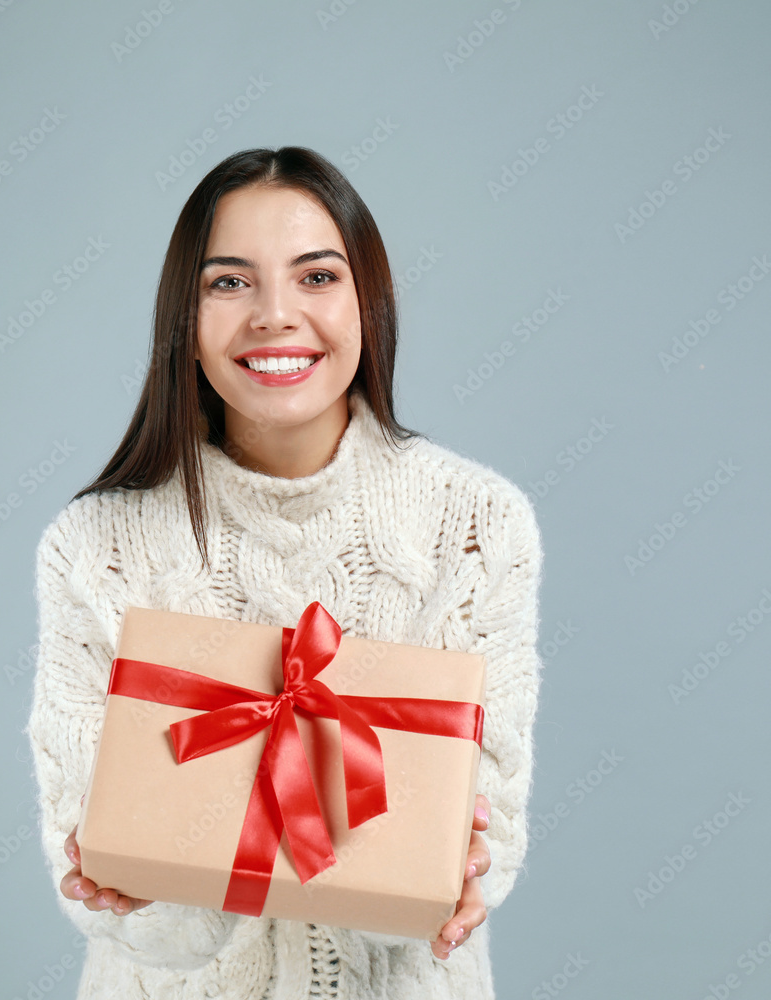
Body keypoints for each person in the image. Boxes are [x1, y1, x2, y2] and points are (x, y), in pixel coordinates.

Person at [27, 146, 543, 999]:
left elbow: (481, 846)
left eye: (316, 277)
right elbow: (109, 883)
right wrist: (145, 895)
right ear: (182, 320)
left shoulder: (478, 526)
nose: (275, 315)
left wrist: (450, 874)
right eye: (229, 283)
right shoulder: (95, 546)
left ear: (367, 303)